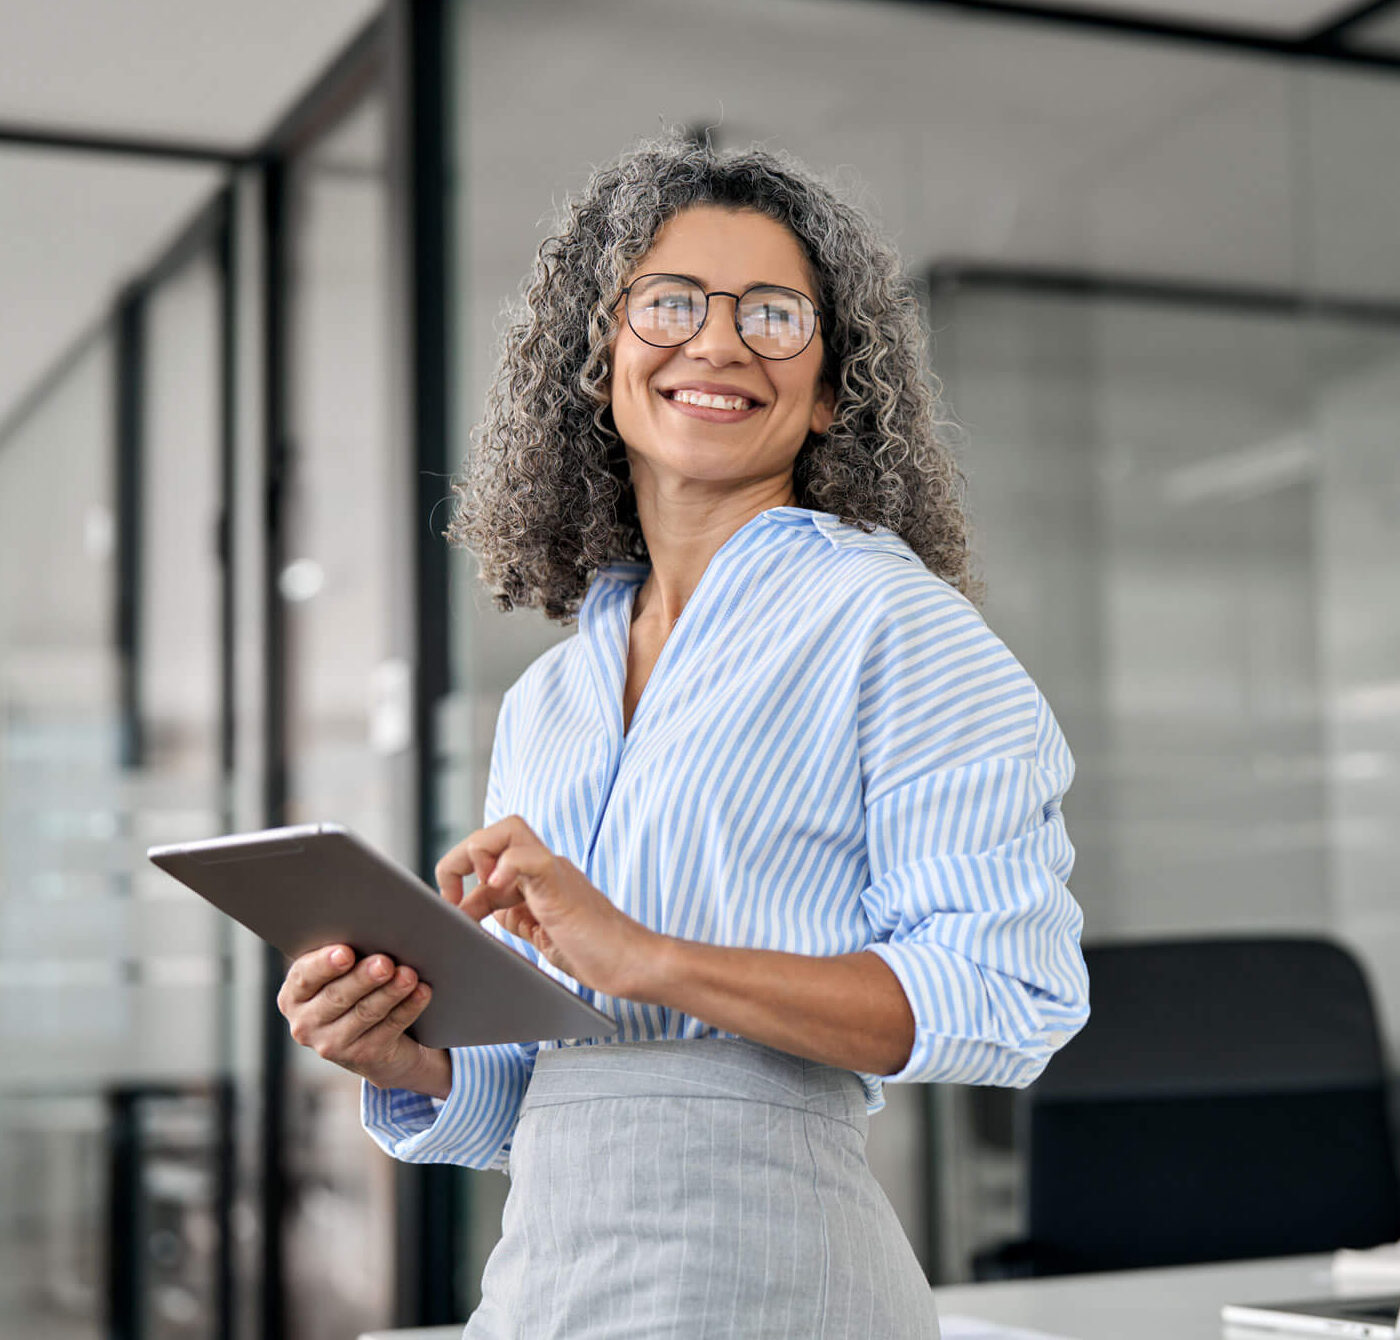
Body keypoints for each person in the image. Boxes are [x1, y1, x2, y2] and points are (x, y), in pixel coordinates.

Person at [277, 131, 1090, 1338]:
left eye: (771, 314)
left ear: (829, 390)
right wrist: (409, 1055)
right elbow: (555, 1090)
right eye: (669, 303)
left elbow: (1009, 991)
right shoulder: (551, 695)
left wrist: (647, 955)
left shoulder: (888, 621)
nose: (715, 342)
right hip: (547, 1287)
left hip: (772, 1279)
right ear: (598, 354)